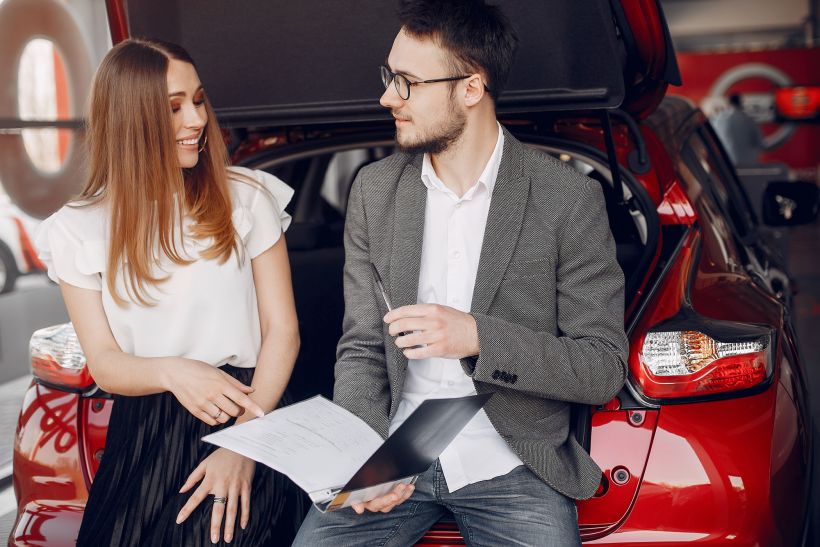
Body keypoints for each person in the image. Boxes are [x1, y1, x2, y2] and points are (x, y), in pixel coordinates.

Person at [293, 0, 628, 545]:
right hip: (397, 449)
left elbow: (600, 366)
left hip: (514, 457)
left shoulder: (567, 199)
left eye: (406, 82)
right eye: (388, 77)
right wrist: (363, 452)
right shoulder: (374, 192)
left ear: (471, 88)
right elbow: (360, 349)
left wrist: (474, 337)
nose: (386, 97)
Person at [34, 38, 300, 546]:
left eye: (198, 100)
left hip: (251, 407)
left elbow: (283, 332)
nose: (197, 119)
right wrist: (174, 371)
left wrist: (244, 444)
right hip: (146, 426)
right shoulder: (77, 229)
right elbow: (107, 363)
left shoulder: (246, 196)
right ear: (132, 118)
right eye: (175, 107)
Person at [711, 93, 763, 166]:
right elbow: (759, 143)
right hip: (749, 164)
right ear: (740, 103)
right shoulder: (750, 120)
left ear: (729, 103)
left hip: (729, 164)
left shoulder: (721, 120)